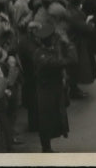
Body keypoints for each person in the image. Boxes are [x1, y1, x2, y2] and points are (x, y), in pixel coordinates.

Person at [31, 21, 75, 152]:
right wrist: (68, 43)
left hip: (50, 88)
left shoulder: (41, 51)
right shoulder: (45, 58)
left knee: (50, 118)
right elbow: (71, 60)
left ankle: (47, 147)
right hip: (48, 91)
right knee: (46, 119)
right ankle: (46, 149)